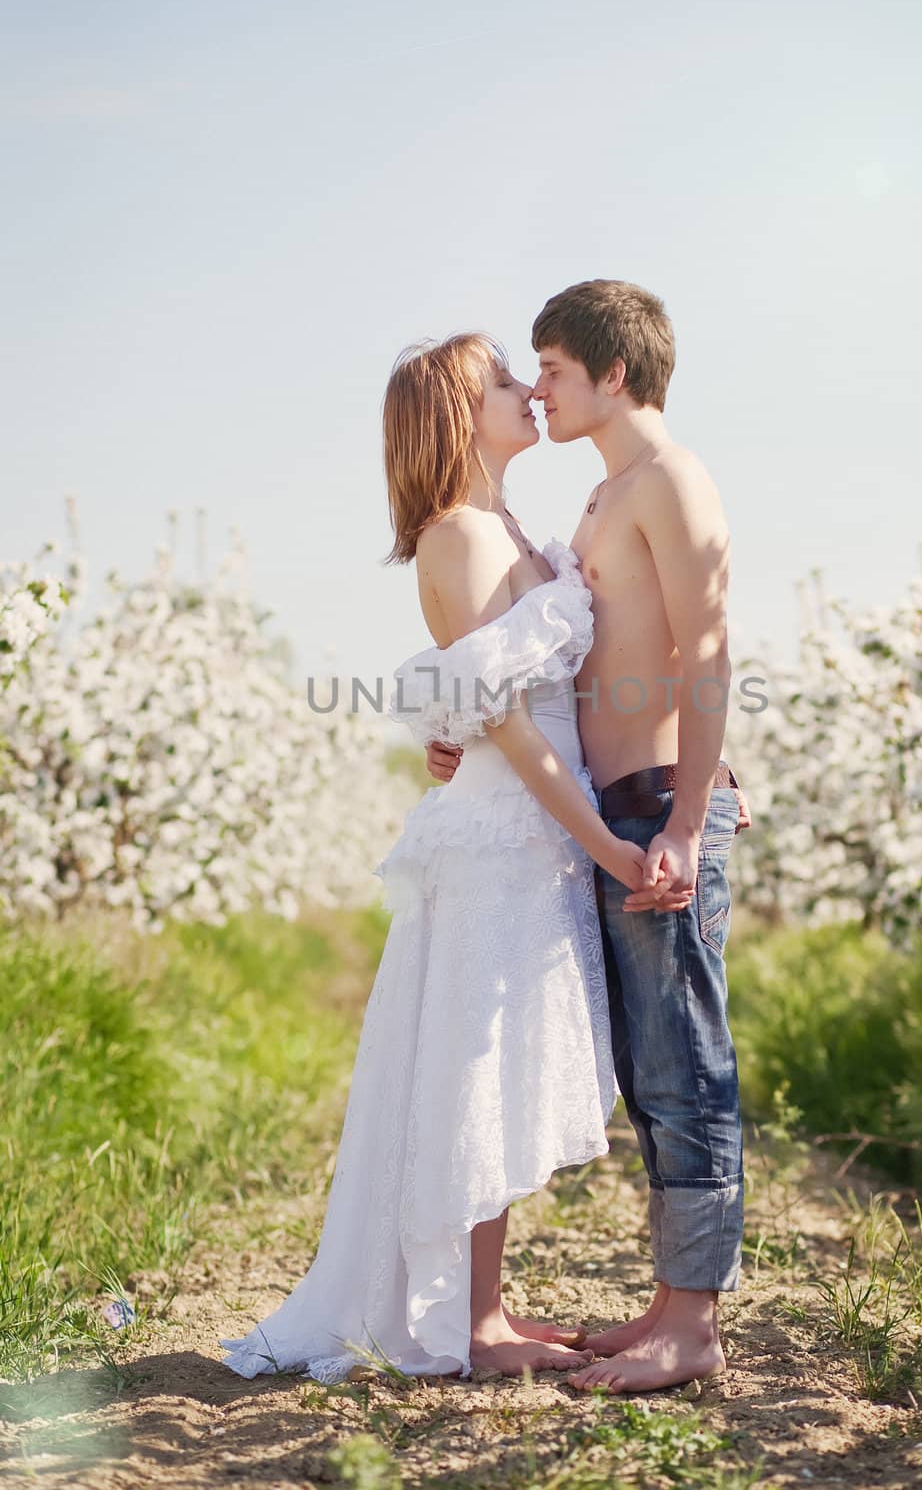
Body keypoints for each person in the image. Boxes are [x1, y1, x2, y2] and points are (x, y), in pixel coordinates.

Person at [220, 332, 668, 1384]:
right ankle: (469, 1323)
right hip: (507, 834)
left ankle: (483, 1308)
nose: (526, 392)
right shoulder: (456, 536)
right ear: (456, 416)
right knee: (474, 1064)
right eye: (503, 383)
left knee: (499, 1065)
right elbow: (505, 718)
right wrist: (600, 837)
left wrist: (459, 731)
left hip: (531, 829)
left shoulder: (508, 526)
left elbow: (479, 690)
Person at [426, 281, 749, 1394]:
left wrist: (691, 816)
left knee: (685, 1065)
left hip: (662, 807)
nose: (540, 388)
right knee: (649, 1067)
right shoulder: (606, 496)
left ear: (612, 374)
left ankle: (691, 1325)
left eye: (551, 368)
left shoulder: (670, 479)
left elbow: (705, 655)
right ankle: (669, 1306)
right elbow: (565, 662)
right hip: (618, 809)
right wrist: (461, 731)